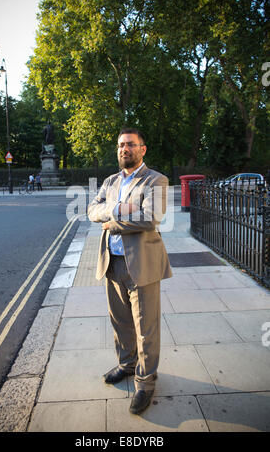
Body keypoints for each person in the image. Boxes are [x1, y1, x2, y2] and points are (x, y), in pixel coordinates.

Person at [88, 128, 172, 415]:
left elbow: (150, 218)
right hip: (112, 262)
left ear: (142, 150)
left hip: (142, 265)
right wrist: (118, 207)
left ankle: (146, 383)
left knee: (145, 327)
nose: (125, 149)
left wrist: (112, 223)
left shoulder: (156, 180)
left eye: (131, 145)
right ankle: (126, 364)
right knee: (120, 321)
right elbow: (91, 210)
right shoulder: (110, 181)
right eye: (121, 145)